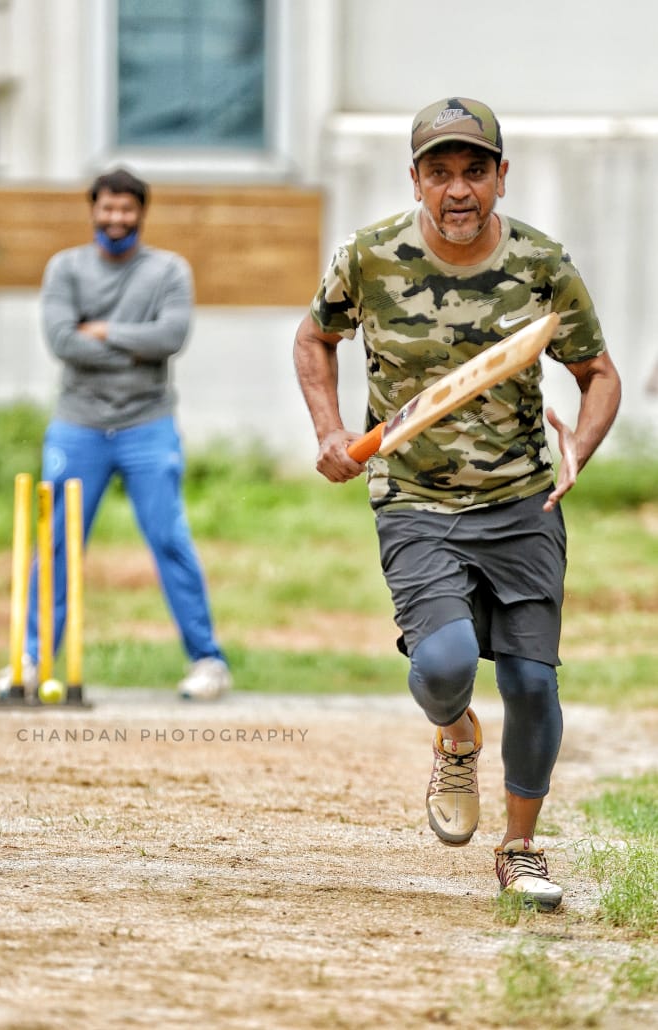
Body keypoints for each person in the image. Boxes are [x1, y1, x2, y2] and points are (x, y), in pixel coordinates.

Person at [293, 97, 621, 909]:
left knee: (532, 683)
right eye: (438, 172)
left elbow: (597, 375)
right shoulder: (369, 258)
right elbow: (313, 337)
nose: (458, 188)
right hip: (413, 497)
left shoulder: (543, 266)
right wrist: (332, 428)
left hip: (521, 501)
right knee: (441, 668)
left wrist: (578, 443)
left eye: (474, 169)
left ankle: (520, 849)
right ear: (415, 180)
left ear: (500, 178)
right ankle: (454, 733)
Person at [0, 167, 232, 702]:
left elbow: (171, 337)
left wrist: (101, 330)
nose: (116, 219)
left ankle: (208, 662)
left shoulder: (169, 270)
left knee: (169, 538)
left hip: (148, 424)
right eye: (107, 209)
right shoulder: (66, 268)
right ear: (93, 210)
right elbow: (62, 342)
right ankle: (30, 662)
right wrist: (132, 343)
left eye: (127, 210)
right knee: (54, 541)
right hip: (77, 424)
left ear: (141, 213)